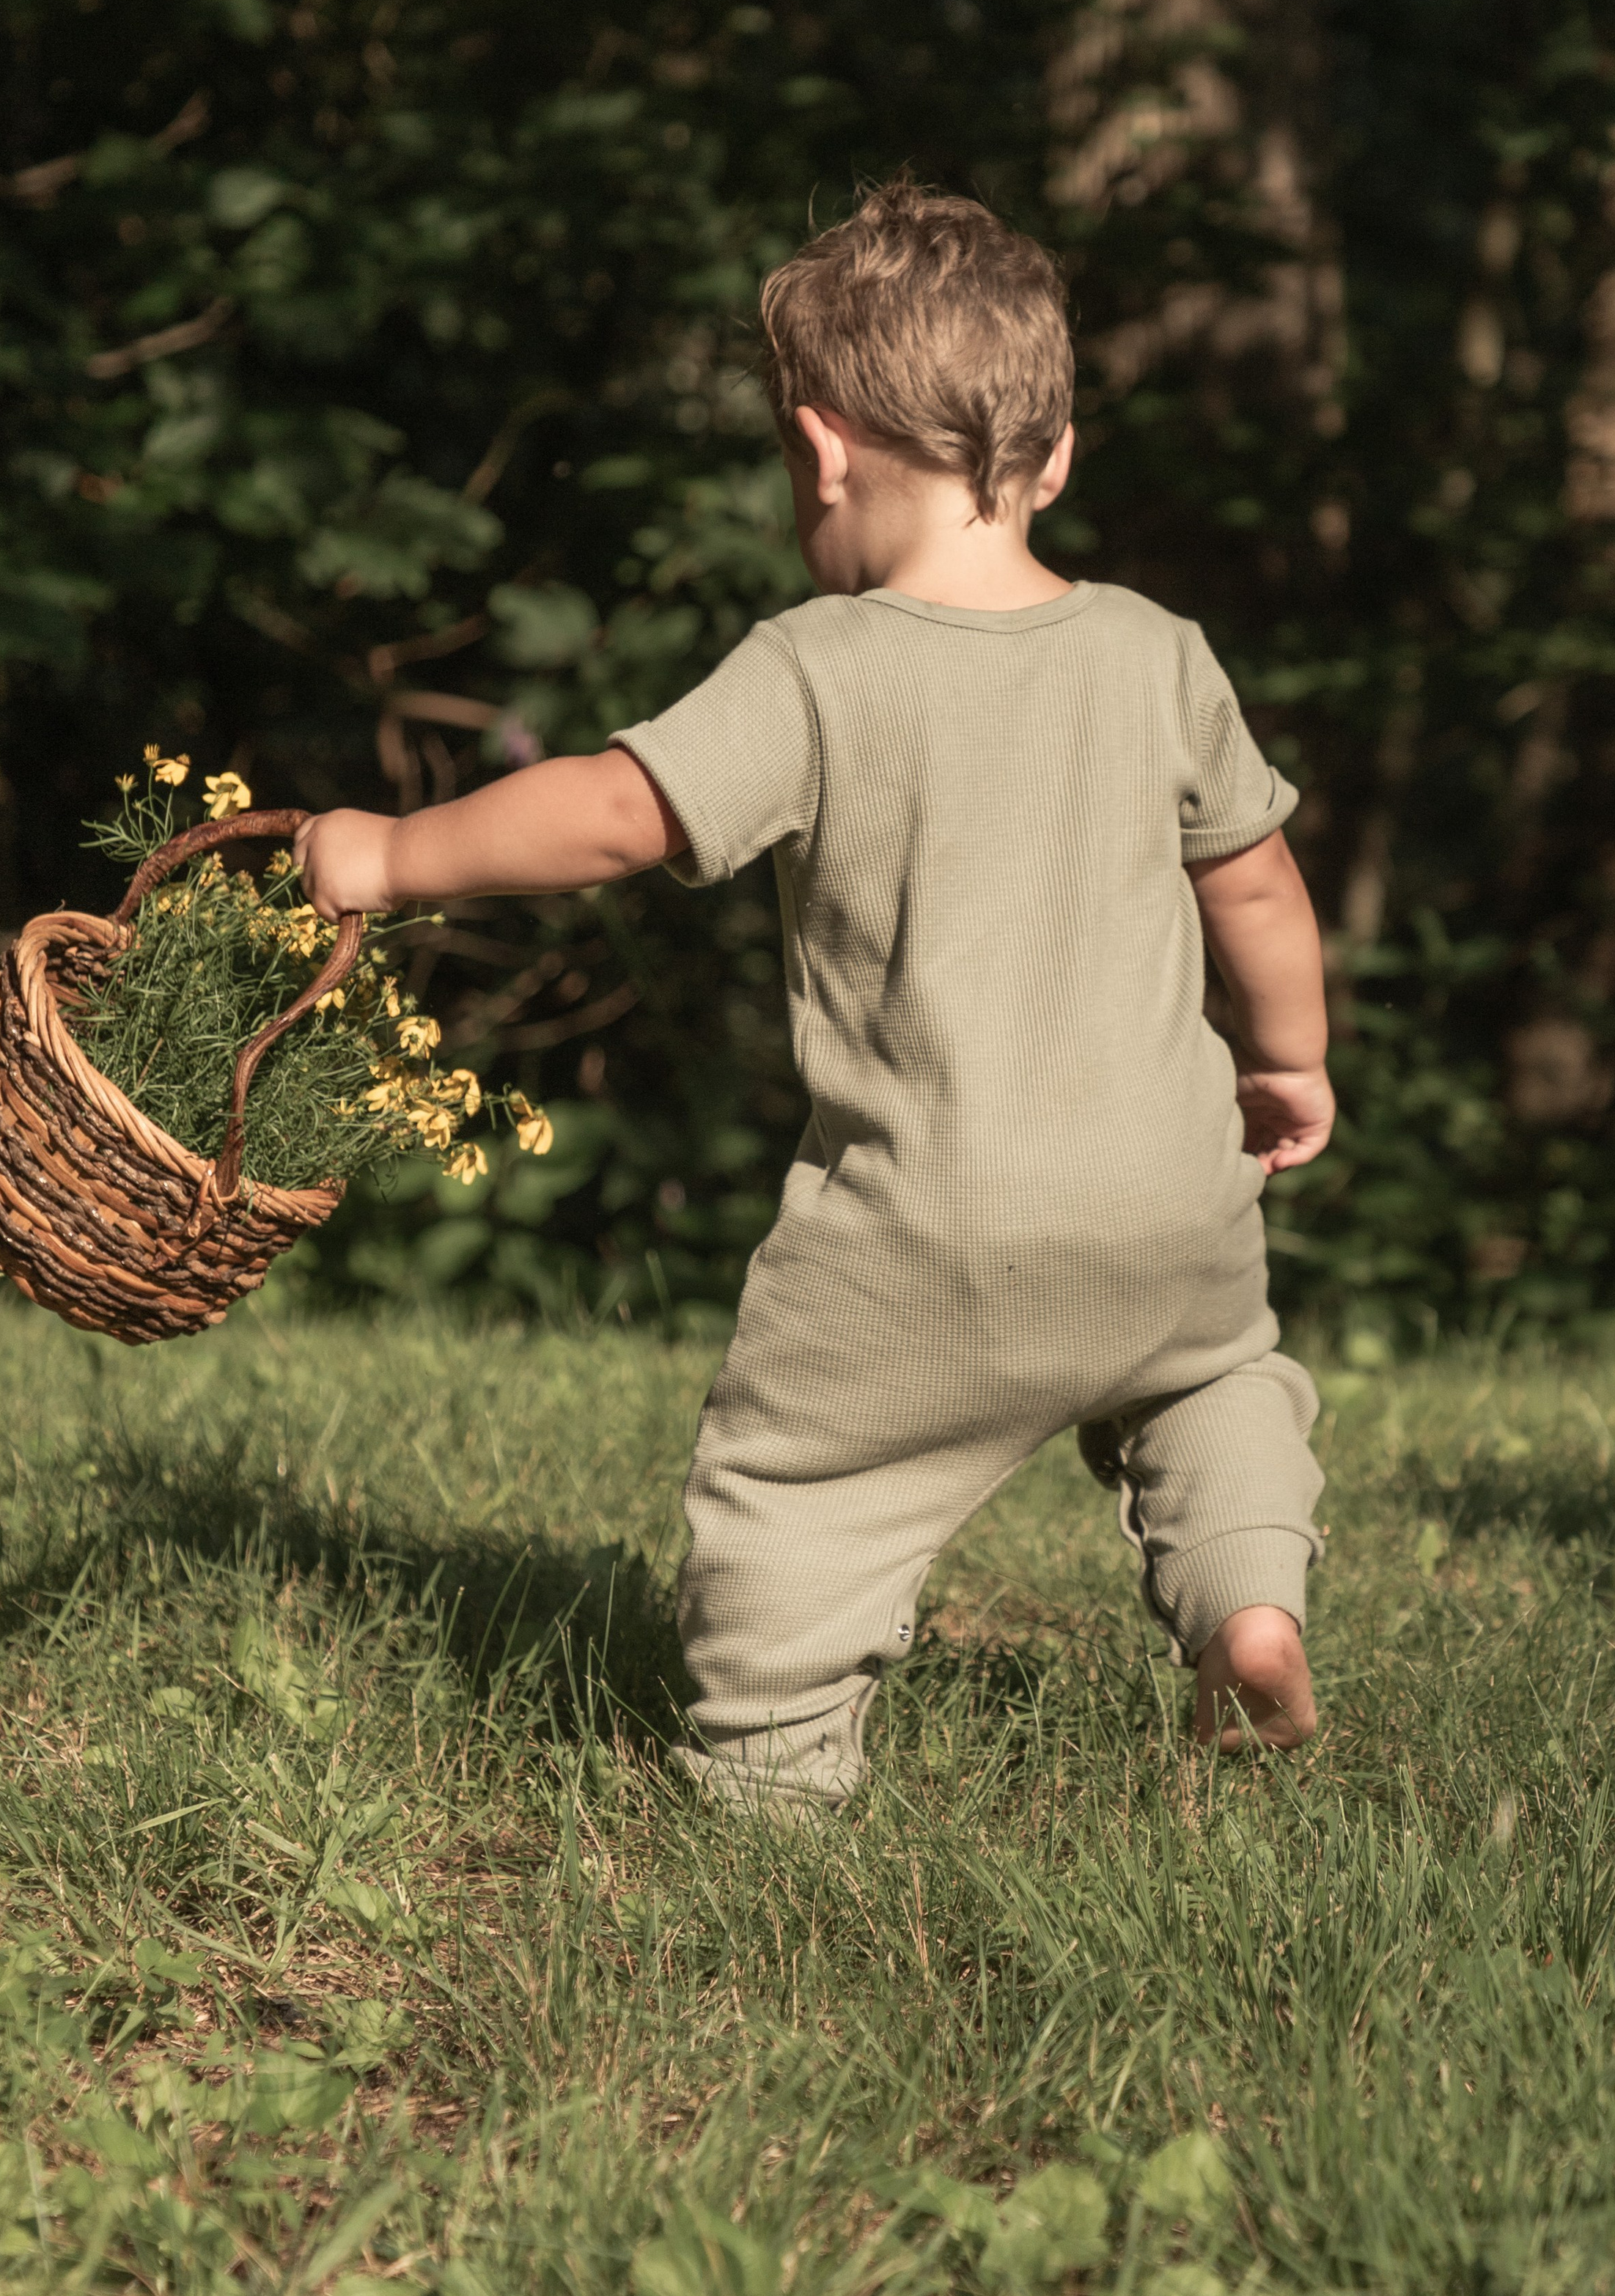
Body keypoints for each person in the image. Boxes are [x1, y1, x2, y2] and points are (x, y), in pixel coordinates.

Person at [296, 179, 1336, 1812]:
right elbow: (1254, 881)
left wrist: (386, 851)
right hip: (1171, 1207)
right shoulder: (1157, 651)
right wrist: (1287, 1066)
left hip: (932, 1234)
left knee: (794, 1483)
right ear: (1051, 456)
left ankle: (772, 1772)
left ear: (821, 446)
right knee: (1215, 1385)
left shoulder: (817, 665)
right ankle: (1250, 1611)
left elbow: (611, 811)